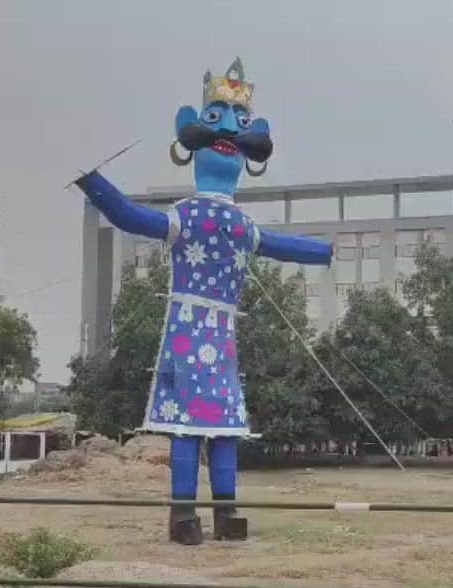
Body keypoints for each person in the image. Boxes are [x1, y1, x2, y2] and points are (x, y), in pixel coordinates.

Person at [73, 58, 332, 545]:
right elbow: (127, 215)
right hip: (196, 333)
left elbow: (130, 216)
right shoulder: (198, 219)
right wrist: (93, 183)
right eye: (217, 119)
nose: (229, 132)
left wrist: (323, 252)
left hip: (209, 334)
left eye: (240, 123)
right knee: (197, 427)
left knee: (216, 427)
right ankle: (195, 514)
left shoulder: (218, 222)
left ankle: (212, 514)